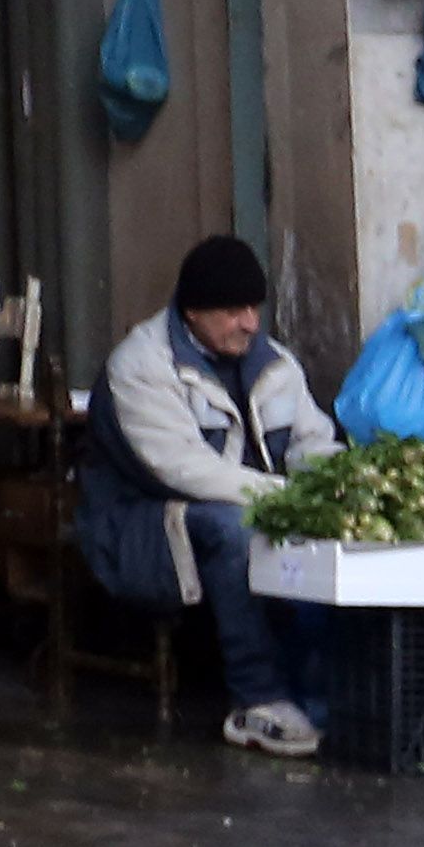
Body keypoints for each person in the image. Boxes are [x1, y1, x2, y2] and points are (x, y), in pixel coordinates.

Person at [76, 235, 340, 757]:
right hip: (140, 525)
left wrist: (339, 487)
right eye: (232, 310)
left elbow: (312, 440)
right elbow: (181, 468)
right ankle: (256, 698)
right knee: (233, 527)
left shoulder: (276, 364)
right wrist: (286, 498)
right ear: (193, 311)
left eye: (253, 308)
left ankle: (325, 688)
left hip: (252, 503)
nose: (249, 323)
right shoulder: (141, 365)